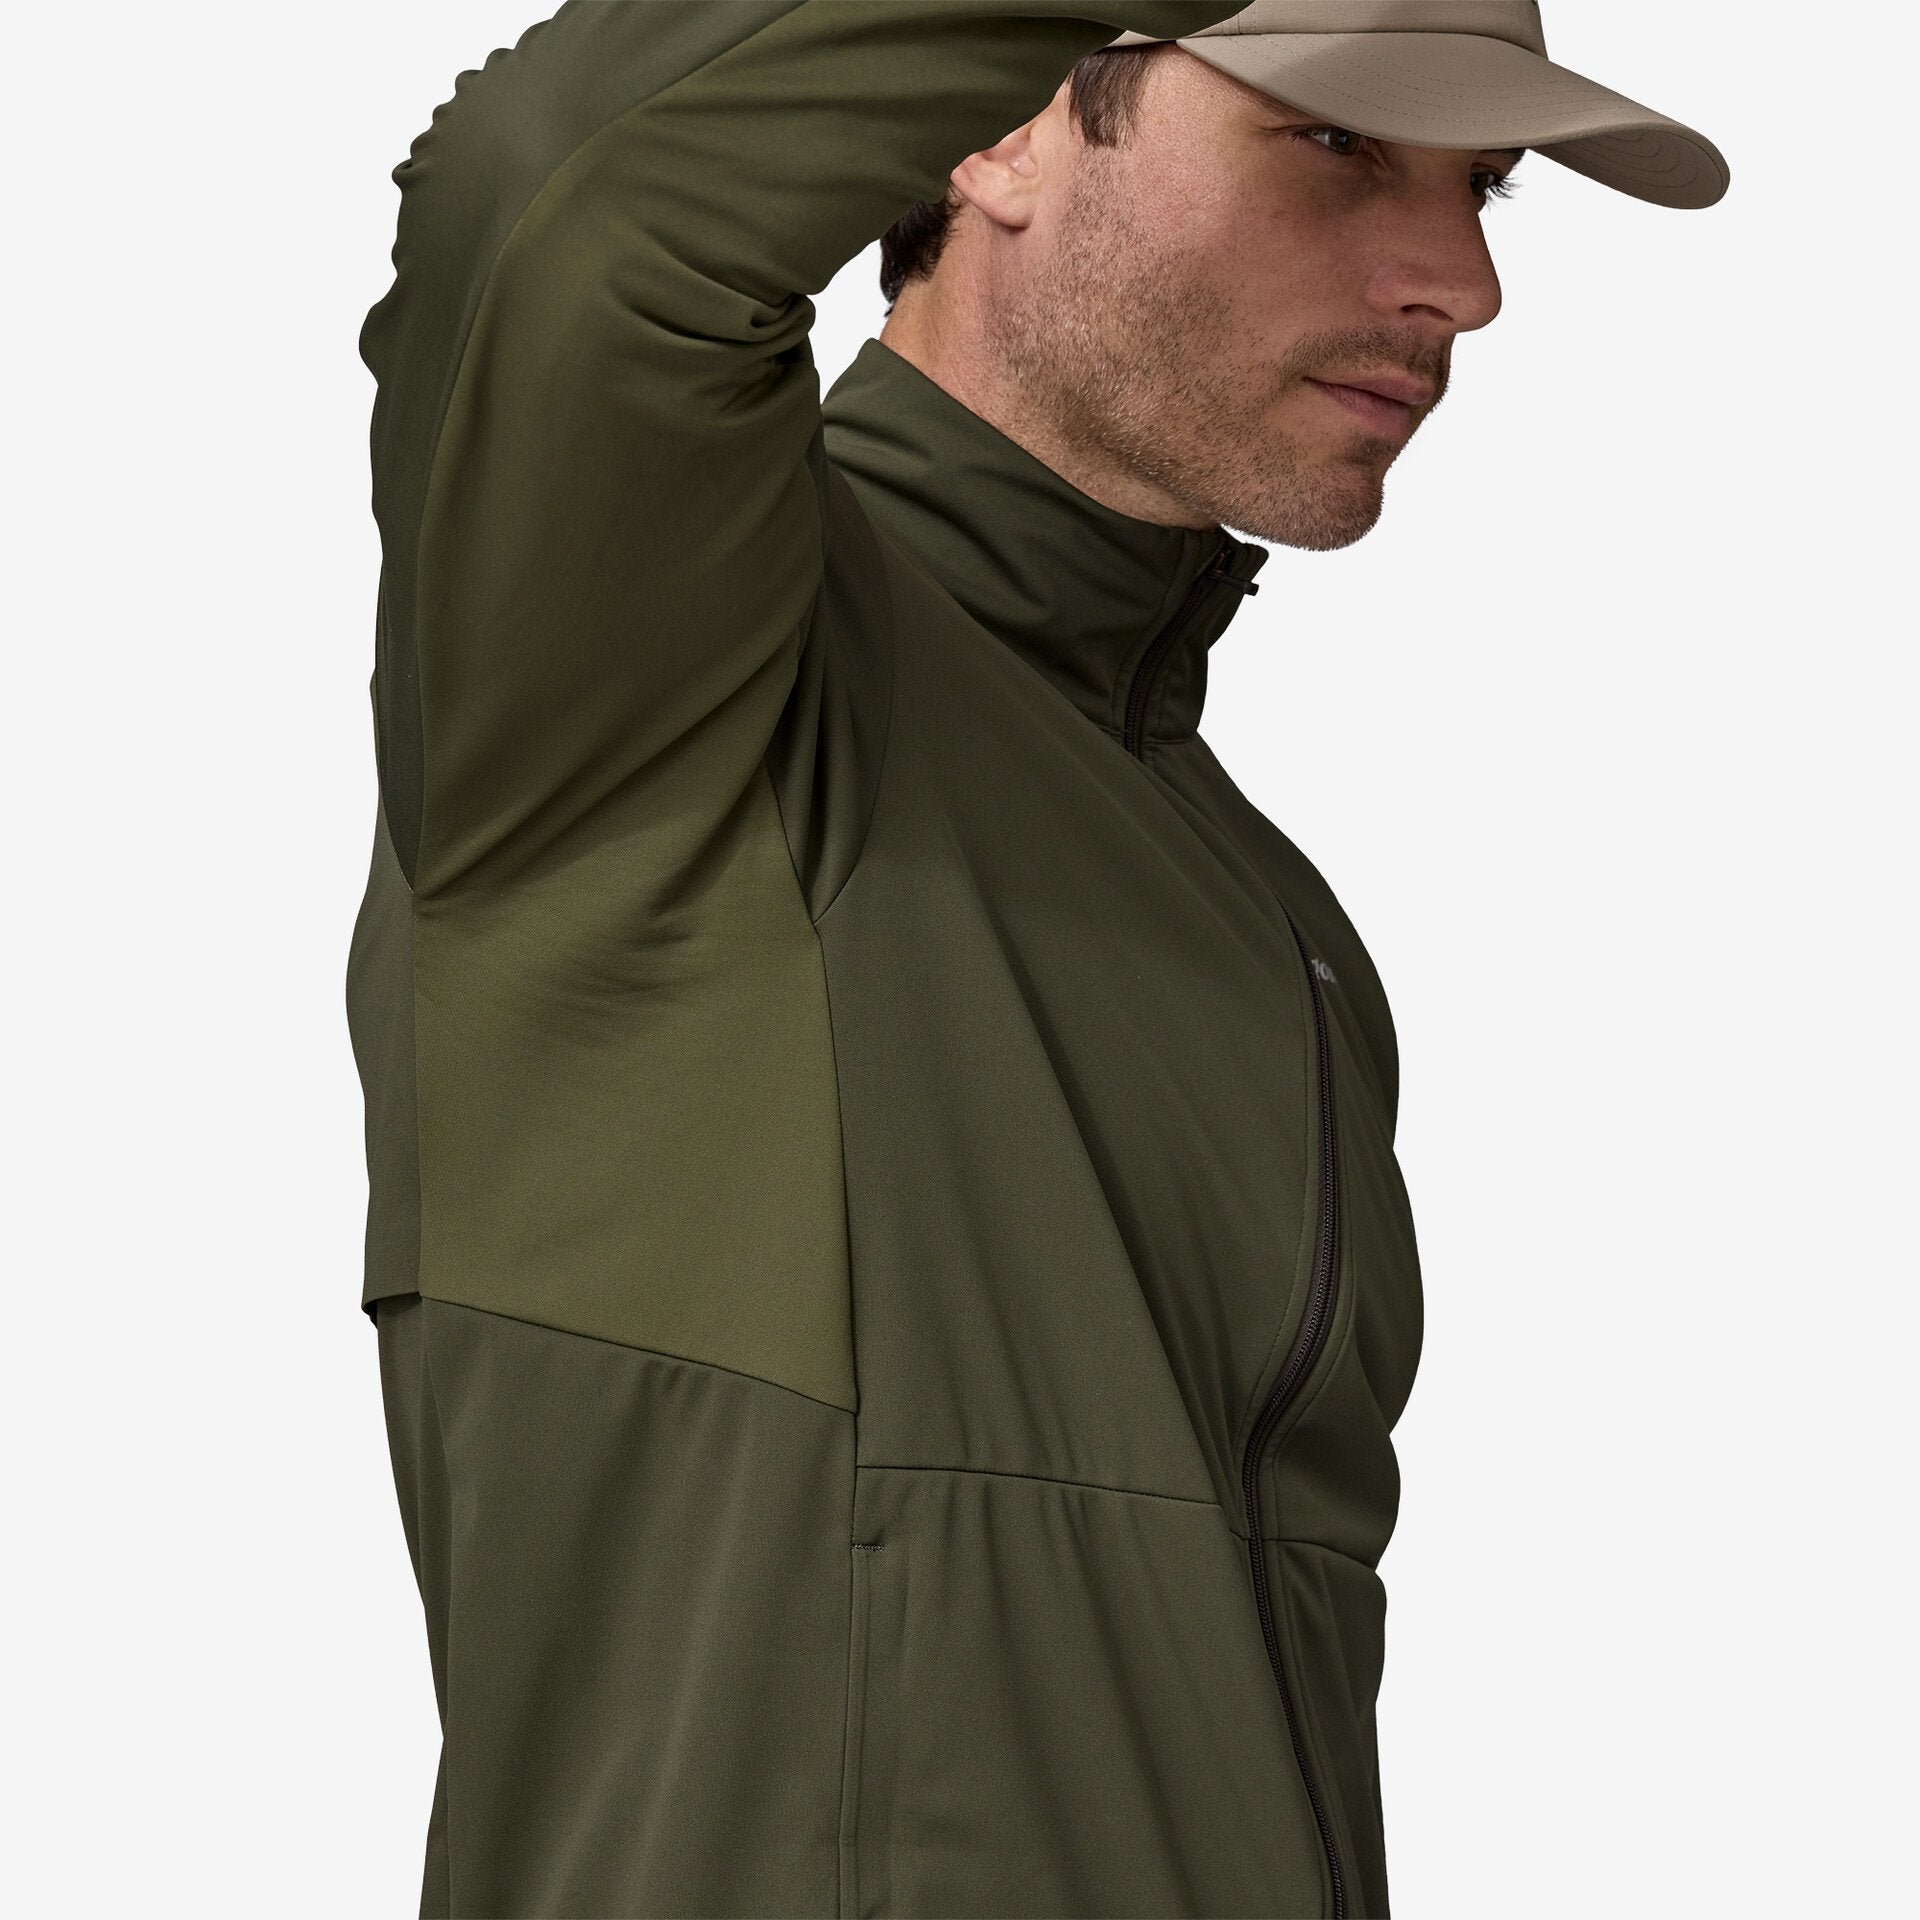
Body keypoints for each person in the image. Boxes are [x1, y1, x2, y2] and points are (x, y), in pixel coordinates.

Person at [346, 4, 1726, 1914]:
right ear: (995, 127)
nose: (1464, 284)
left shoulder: (1263, 915)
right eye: (1337, 143)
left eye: (1482, 187)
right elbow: (556, 191)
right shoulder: (673, 681)